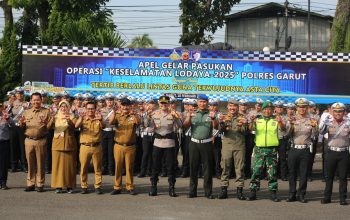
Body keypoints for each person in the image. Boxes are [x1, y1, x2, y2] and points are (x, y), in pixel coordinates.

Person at [247, 100, 285, 202]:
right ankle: (253, 192)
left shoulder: (276, 120)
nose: (267, 111)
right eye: (265, 109)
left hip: (271, 150)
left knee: (272, 172)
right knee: (256, 171)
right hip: (259, 149)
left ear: (272, 110)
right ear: (262, 110)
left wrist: (280, 122)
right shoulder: (258, 120)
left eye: (269, 109)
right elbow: (250, 129)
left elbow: (283, 129)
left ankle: (273, 193)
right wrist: (251, 121)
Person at [183, 94, 218, 199]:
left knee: (207, 169)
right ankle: (192, 191)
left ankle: (208, 192)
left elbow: (216, 127)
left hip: (207, 144)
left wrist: (213, 119)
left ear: (207, 103)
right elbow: (184, 126)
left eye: (204, 102)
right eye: (200, 102)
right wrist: (189, 117)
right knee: (193, 168)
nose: (202, 104)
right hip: (194, 144)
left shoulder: (211, 114)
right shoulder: (193, 113)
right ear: (197, 103)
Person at [148, 95, 182, 197]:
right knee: (155, 166)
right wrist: (148, 116)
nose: (163, 105)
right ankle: (153, 187)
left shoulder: (173, 114)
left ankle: (171, 188)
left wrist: (176, 117)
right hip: (157, 142)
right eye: (161, 103)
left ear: (168, 104)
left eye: (165, 103)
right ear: (159, 104)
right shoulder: (154, 114)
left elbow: (180, 125)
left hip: (169, 143)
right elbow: (147, 126)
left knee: (171, 167)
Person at [286, 98, 317, 203]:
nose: (302, 108)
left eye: (304, 106)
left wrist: (314, 127)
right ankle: (292, 194)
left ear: (307, 107)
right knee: (292, 173)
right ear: (296, 107)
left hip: (305, 149)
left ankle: (302, 194)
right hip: (293, 149)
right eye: (300, 106)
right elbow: (287, 134)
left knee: (303, 173)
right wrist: (291, 125)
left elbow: (316, 135)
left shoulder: (312, 119)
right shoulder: (292, 118)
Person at [19, 92, 51, 192]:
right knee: (30, 163)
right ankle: (30, 183)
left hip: (41, 140)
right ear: (31, 101)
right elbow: (21, 126)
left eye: (38, 99)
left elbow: (50, 127)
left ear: (41, 100)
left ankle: (40, 184)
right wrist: (22, 123)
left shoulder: (46, 111)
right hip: (29, 140)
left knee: (41, 163)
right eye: (34, 100)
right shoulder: (26, 112)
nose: (36, 102)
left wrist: (46, 123)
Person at [319, 102, 350, 206]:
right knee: (329, 176)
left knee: (343, 177)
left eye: (340, 111)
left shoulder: (348, 122)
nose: (338, 113)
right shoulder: (329, 122)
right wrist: (324, 123)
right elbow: (321, 132)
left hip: (344, 152)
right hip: (331, 152)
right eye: (335, 111)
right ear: (332, 112)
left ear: (344, 112)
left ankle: (343, 198)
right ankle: (327, 197)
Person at [217, 98, 247, 200]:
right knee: (225, 167)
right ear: (227, 107)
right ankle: (223, 190)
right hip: (227, 145)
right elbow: (221, 131)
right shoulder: (224, 117)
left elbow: (245, 131)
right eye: (230, 106)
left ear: (237, 107)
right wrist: (221, 123)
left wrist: (244, 124)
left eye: (234, 106)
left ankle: (239, 190)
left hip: (239, 146)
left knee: (239, 168)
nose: (232, 108)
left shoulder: (242, 117)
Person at [110, 97, 140, 195]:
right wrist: (114, 112)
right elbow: (111, 122)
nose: (125, 107)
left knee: (129, 167)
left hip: (130, 146)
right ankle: (117, 186)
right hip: (118, 145)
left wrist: (135, 114)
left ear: (130, 106)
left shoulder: (134, 116)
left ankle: (129, 186)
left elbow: (139, 123)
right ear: (120, 106)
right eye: (123, 105)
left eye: (127, 105)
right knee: (118, 167)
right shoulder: (117, 115)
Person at [75, 101, 104, 194]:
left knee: (98, 168)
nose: (90, 110)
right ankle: (84, 186)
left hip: (97, 146)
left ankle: (98, 186)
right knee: (83, 167)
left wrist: (100, 120)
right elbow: (76, 126)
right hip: (85, 146)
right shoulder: (83, 119)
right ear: (85, 110)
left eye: (92, 108)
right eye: (88, 109)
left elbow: (104, 126)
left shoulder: (98, 119)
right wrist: (81, 117)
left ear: (95, 109)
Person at [50, 100, 77, 194]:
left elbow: (75, 127)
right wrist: (51, 119)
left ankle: (69, 186)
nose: (63, 108)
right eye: (61, 106)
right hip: (57, 144)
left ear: (68, 108)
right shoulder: (56, 117)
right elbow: (48, 127)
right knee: (57, 166)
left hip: (69, 144)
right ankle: (58, 186)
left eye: (65, 106)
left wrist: (69, 121)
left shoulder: (72, 116)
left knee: (69, 166)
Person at [138, 98, 156, 177]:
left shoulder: (157, 113)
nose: (150, 105)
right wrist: (148, 115)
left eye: (151, 104)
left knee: (152, 154)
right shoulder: (143, 114)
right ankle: (143, 171)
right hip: (146, 135)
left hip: (154, 135)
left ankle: (150, 171)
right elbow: (144, 125)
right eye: (148, 104)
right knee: (145, 154)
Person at [100, 93, 116, 176]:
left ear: (113, 101)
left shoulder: (116, 110)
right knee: (103, 151)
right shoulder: (101, 110)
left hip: (112, 131)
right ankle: (103, 168)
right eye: (108, 100)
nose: (109, 101)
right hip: (104, 131)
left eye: (111, 100)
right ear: (105, 101)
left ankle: (111, 169)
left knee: (111, 152)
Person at [274, 100, 289, 181]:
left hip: (282, 139)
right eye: (278, 107)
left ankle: (283, 175)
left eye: (281, 107)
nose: (279, 109)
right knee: (272, 158)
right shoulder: (272, 116)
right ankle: (272, 174)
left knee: (282, 158)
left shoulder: (286, 117)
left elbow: (284, 129)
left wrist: (280, 122)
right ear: (275, 108)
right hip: (272, 139)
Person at [0, 102, 14, 190]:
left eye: (0, 106)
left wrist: (8, 119)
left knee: (4, 164)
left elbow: (13, 125)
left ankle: (3, 182)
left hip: (4, 142)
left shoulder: (6, 115)